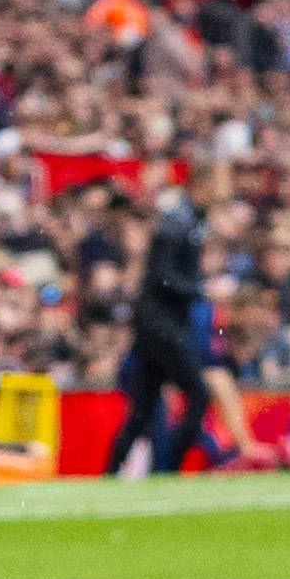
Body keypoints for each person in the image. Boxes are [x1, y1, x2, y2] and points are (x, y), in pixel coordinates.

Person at [112, 188, 219, 476]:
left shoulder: (183, 224)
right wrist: (199, 288)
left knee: (143, 410)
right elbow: (164, 277)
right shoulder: (178, 226)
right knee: (198, 394)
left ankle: (111, 471)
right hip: (162, 328)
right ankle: (171, 465)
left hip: (154, 326)